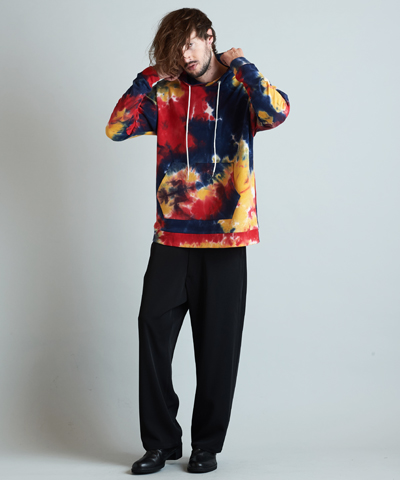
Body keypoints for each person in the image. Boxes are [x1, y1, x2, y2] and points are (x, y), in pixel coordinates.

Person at [106, 7, 289, 475]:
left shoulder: (240, 89)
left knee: (218, 348)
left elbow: (277, 111)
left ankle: (206, 445)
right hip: (172, 239)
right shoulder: (166, 92)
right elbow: (116, 128)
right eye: (176, 48)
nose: (185, 55)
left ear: (209, 37)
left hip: (225, 242)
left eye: (190, 43)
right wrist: (151, 74)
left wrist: (241, 64)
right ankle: (160, 443)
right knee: (152, 330)